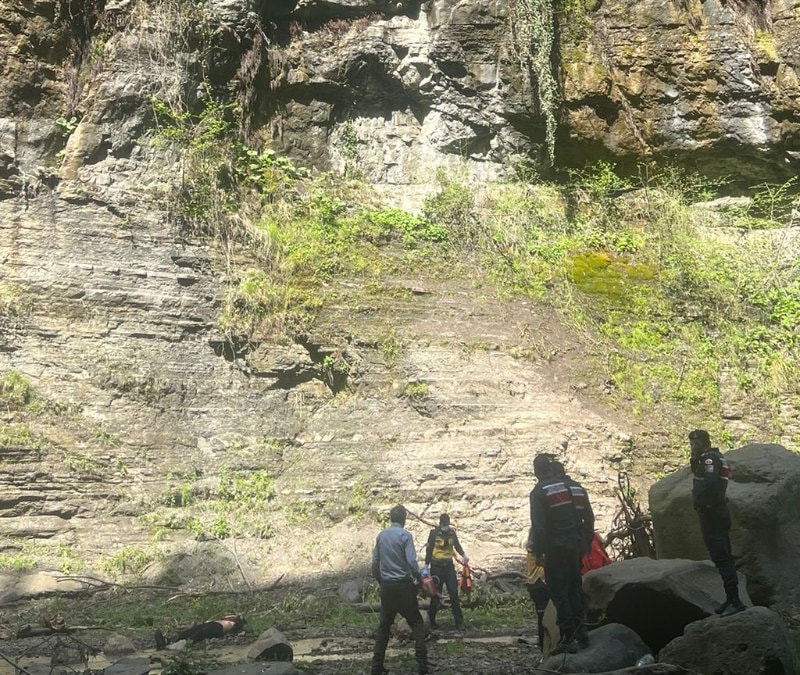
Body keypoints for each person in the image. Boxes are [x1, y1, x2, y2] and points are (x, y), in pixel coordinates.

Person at [529, 453, 593, 653]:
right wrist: (586, 543)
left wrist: (539, 552)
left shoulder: (540, 491)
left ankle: (567, 636)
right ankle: (581, 631)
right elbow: (587, 518)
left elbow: (540, 528)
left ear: (536, 471)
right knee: (575, 586)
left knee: (559, 592)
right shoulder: (570, 487)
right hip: (574, 544)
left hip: (556, 548)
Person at [688, 429, 746, 617]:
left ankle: (735, 600)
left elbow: (711, 482)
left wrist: (703, 500)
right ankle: (731, 598)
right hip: (715, 512)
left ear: (703, 442)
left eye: (695, 443)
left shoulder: (710, 459)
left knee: (722, 557)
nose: (692, 447)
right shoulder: (711, 458)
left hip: (713, 513)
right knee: (722, 557)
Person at [371, 504, 429, 675]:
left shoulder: (381, 536)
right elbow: (411, 562)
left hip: (388, 587)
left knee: (384, 626)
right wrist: (419, 578)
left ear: (391, 518)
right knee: (417, 623)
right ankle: (422, 665)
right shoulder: (405, 536)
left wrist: (381, 580)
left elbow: (375, 562)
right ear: (403, 519)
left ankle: (376, 666)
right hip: (404, 586)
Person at [424, 513, 468, 630]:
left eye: (446, 525)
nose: (445, 527)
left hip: (448, 567)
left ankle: (459, 622)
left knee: (453, 593)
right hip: (436, 567)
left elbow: (457, 546)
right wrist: (425, 566)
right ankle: (431, 620)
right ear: (440, 524)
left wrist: (463, 555)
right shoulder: (433, 534)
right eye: (443, 525)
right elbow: (429, 550)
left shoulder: (452, 533)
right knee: (435, 594)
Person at [524, 526, 552, 651]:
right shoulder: (539, 549)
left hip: (533, 584)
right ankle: (544, 644)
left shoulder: (530, 546)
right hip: (541, 583)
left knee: (541, 616)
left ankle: (543, 644)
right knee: (545, 616)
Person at [154, 614, 247, 650]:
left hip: (218, 628)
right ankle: (168, 641)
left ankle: (184, 643)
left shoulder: (235, 623)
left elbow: (244, 628)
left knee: (201, 632)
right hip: (214, 624)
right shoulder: (228, 619)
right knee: (192, 630)